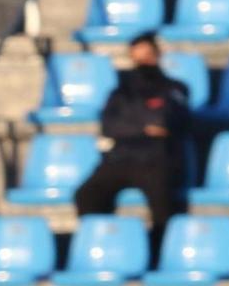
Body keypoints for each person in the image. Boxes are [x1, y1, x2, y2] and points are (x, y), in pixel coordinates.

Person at [72, 32, 191, 247]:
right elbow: (109, 126)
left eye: (147, 54)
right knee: (86, 194)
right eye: (138, 55)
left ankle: (158, 253)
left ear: (157, 54)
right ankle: (103, 244)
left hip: (156, 159)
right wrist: (144, 127)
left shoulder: (174, 88)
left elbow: (166, 120)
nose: (143, 60)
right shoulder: (120, 92)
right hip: (121, 159)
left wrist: (133, 125)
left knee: (164, 208)